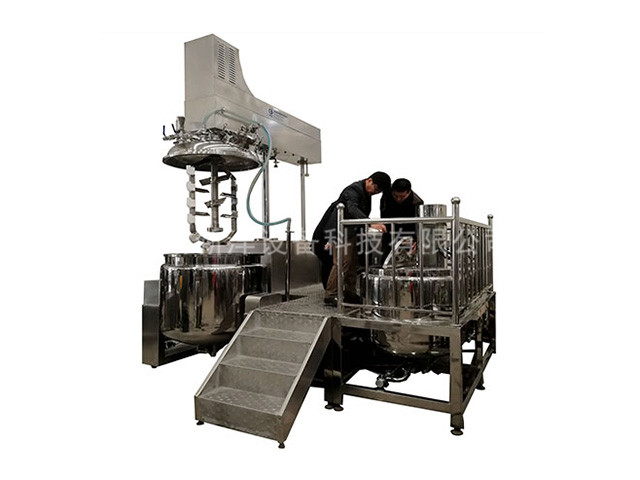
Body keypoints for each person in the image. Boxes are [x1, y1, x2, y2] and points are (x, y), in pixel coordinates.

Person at [312, 172, 391, 306]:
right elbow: (352, 208)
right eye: (376, 188)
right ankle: (331, 294)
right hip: (340, 230)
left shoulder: (366, 193)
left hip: (351, 231)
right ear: (369, 180)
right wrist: (370, 223)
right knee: (342, 262)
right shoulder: (353, 190)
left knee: (352, 262)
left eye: (379, 191)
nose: (376, 192)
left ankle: (350, 292)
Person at [379, 178, 424, 261]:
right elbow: (384, 216)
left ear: (409, 192)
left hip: (408, 234)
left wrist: (416, 241)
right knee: (386, 259)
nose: (398, 199)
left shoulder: (416, 202)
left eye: (402, 197)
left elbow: (418, 225)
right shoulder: (386, 195)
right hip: (389, 232)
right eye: (396, 196)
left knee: (407, 261)